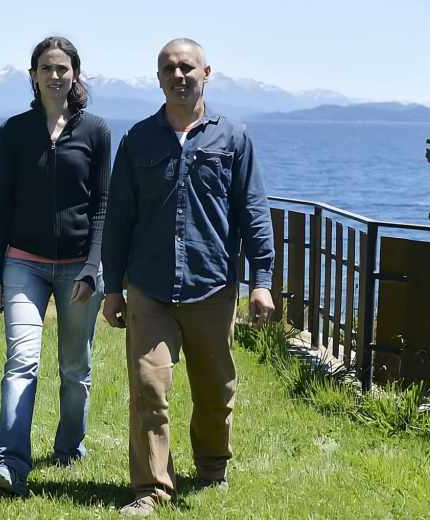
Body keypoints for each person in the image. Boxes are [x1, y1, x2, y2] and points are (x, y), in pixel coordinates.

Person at [101, 38, 275, 516]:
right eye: (168, 68)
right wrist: (111, 286)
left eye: (187, 67)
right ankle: (151, 489)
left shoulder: (233, 138)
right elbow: (119, 218)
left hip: (212, 286)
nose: (179, 75)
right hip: (149, 287)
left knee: (215, 392)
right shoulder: (138, 140)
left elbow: (253, 213)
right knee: (149, 389)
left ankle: (212, 467)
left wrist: (262, 280)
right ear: (158, 78)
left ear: (207, 73)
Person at [0, 36, 111, 497]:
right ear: (33, 75)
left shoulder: (96, 131)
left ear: (75, 74)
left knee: (76, 368)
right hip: (23, 265)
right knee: (22, 362)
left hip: (80, 268)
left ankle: (69, 449)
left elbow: (101, 206)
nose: (55, 75)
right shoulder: (14, 131)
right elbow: (4, 203)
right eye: (46, 68)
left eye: (63, 68)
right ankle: (11, 462)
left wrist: (93, 268)